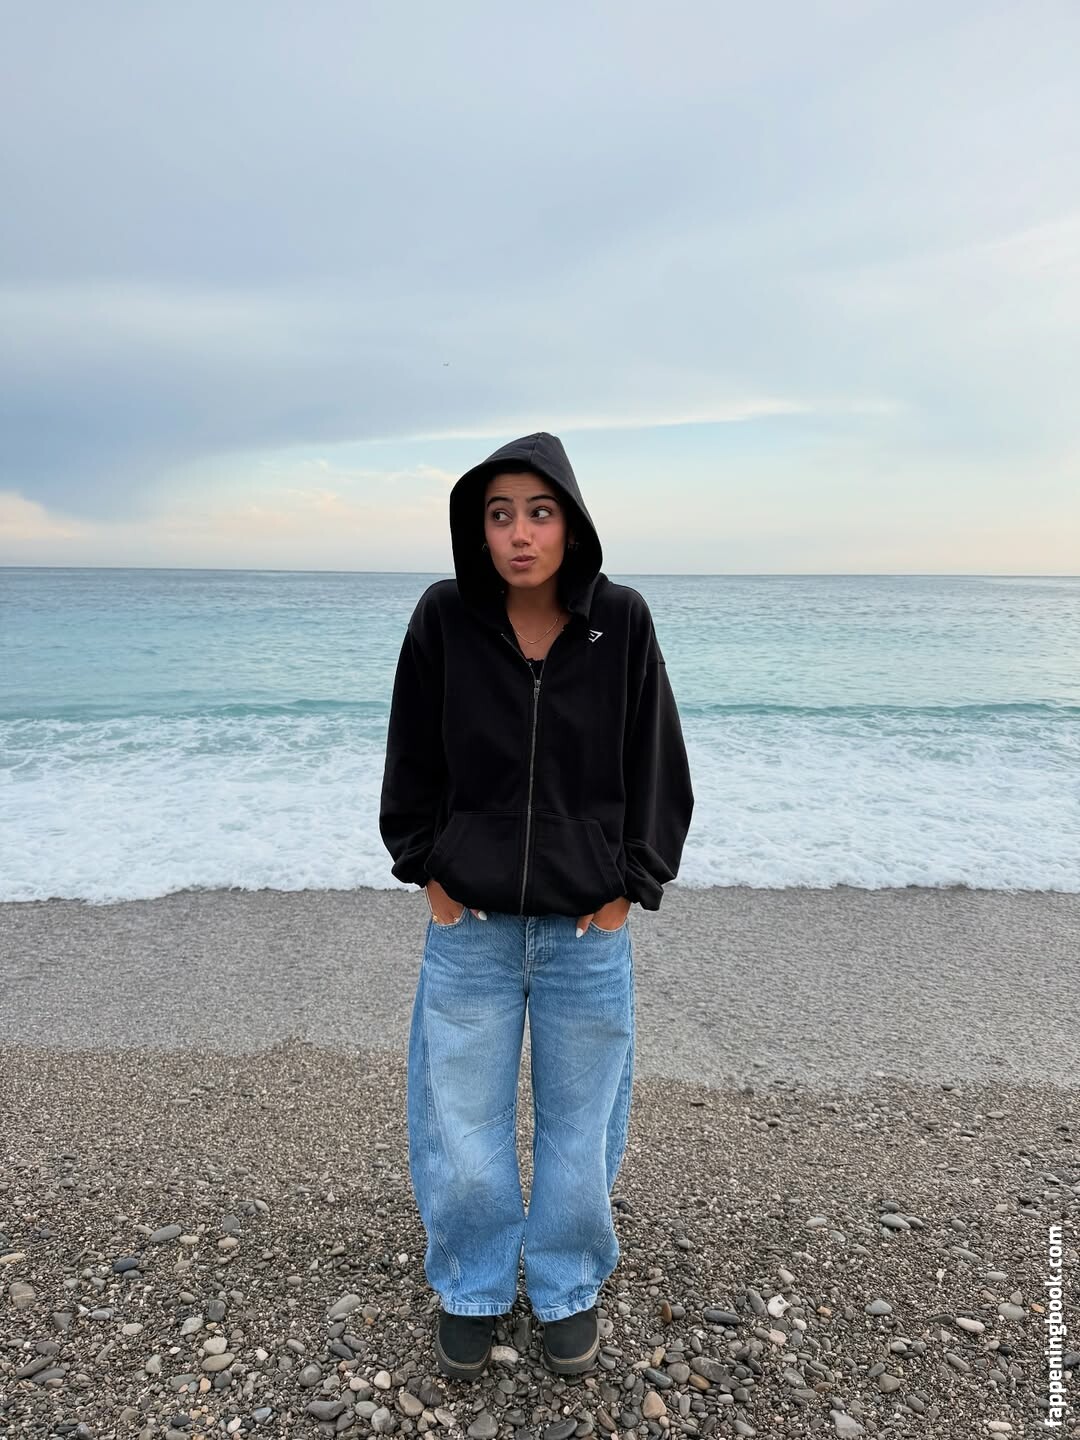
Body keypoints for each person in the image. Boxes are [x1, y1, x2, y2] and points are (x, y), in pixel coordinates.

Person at [379, 431, 694, 1381]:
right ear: (477, 530)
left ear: (572, 522)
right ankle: (472, 1286)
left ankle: (565, 1283)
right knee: (459, 1123)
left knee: (580, 1127)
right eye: (500, 514)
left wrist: (629, 887)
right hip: (469, 932)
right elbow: (410, 757)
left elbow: (657, 762)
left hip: (584, 934)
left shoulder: (620, 621)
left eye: (540, 512)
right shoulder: (444, 618)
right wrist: (429, 876)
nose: (520, 533)